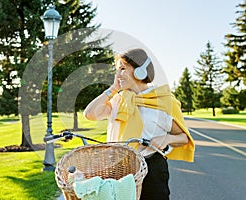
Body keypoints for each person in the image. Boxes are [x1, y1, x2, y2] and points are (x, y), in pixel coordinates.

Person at [83, 48, 195, 200]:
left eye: (122, 69)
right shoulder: (118, 100)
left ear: (140, 71)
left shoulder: (165, 101)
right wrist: (113, 89)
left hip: (151, 169)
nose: (117, 74)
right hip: (118, 168)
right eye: (117, 70)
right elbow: (89, 114)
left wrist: (166, 139)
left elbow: (184, 137)